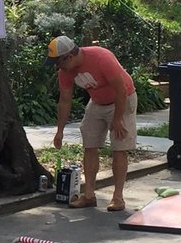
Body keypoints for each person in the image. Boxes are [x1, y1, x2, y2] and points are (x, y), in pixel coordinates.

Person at [49, 35, 138, 211]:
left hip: (122, 99)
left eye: (59, 62)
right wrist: (60, 130)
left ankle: (118, 198)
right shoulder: (65, 72)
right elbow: (65, 100)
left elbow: (121, 89)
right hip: (97, 102)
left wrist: (118, 118)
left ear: (69, 56)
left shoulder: (101, 57)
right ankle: (89, 195)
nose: (58, 67)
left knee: (119, 147)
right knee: (89, 144)